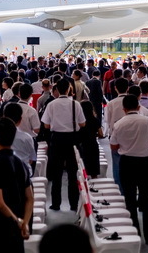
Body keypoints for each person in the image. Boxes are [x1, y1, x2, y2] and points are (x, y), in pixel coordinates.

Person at [110, 95, 148, 244]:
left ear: (123, 109)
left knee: (129, 199)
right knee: (147, 198)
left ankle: (134, 233)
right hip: (144, 162)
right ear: (138, 107)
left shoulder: (119, 124)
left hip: (127, 163)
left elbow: (113, 146)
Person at [0, 117, 33, 253]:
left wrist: (17, 221)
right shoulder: (21, 164)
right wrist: (24, 222)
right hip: (16, 230)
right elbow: (30, 198)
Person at [40, 79, 86, 211]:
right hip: (72, 139)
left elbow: (46, 125)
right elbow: (83, 124)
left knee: (56, 173)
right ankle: (73, 203)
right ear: (68, 88)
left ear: (57, 90)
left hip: (57, 139)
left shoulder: (52, 104)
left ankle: (56, 203)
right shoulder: (75, 104)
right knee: (72, 173)